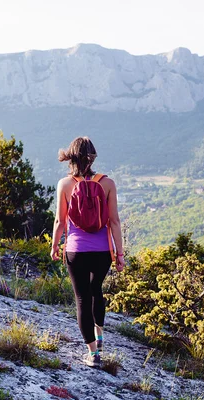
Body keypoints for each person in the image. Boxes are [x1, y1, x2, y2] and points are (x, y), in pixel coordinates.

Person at [50, 136, 125, 368]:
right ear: (92, 157)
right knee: (96, 290)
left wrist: (54, 245)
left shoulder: (64, 185)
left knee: (82, 297)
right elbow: (114, 222)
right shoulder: (108, 183)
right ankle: (100, 337)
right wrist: (119, 255)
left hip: (76, 251)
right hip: (103, 252)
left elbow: (59, 221)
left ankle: (93, 354)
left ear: (70, 157)